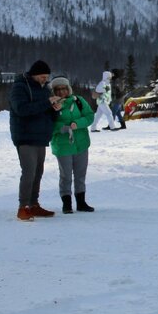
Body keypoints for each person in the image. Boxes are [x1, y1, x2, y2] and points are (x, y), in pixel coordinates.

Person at [9, 59, 61, 221]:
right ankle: (23, 207)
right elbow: (21, 109)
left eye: (46, 76)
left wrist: (55, 110)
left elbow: (46, 112)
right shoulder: (20, 87)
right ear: (34, 75)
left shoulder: (45, 89)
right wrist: (47, 103)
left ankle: (34, 204)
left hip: (41, 136)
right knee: (29, 172)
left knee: (38, 173)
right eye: (42, 76)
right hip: (25, 136)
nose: (45, 79)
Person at [49, 76, 96, 213]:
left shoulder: (78, 101)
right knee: (66, 176)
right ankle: (67, 204)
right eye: (58, 89)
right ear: (54, 91)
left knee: (80, 174)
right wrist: (63, 127)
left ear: (68, 89)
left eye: (64, 88)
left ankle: (81, 202)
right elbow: (47, 123)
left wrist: (78, 124)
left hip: (81, 143)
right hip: (62, 146)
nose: (62, 92)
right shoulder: (50, 105)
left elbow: (89, 116)